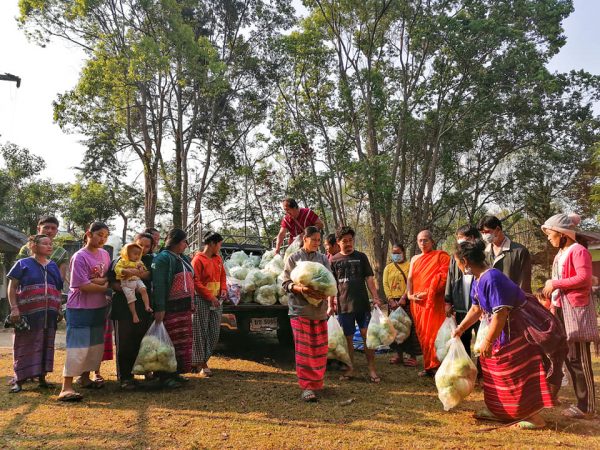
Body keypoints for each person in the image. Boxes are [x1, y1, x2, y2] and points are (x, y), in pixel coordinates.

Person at [453, 240, 566, 429]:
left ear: (465, 261)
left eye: (457, 262)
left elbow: (501, 313)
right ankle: (501, 410)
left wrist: (488, 340)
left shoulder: (492, 278)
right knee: (493, 369)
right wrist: (461, 328)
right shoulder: (478, 279)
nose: (457, 266)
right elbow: (476, 308)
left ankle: (532, 417)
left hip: (515, 332)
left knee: (515, 373)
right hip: (499, 330)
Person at [542, 213, 598, 419]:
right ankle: (581, 403)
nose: (549, 238)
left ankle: (587, 407)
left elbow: (584, 278)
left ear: (562, 234)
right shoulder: (561, 253)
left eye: (551, 234)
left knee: (579, 358)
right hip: (562, 310)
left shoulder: (579, 251)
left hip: (576, 311)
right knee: (570, 357)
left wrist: (555, 284)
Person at [59, 222, 111, 402]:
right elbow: (82, 285)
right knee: (77, 346)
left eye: (105, 236)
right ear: (89, 234)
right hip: (80, 307)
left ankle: (85, 378)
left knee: (94, 346)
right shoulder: (79, 257)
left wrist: (98, 282)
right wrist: (103, 286)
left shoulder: (105, 254)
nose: (102, 239)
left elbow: (107, 277)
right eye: (99, 235)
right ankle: (66, 387)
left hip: (99, 307)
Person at [6, 234, 63, 393]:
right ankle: (19, 380)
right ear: (33, 246)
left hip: (49, 315)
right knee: (24, 344)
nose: (49, 246)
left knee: (46, 343)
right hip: (28, 314)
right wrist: (14, 308)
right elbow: (12, 287)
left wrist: (58, 307)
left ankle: (42, 378)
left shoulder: (53, 266)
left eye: (50, 243)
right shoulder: (22, 264)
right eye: (45, 243)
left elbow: (58, 289)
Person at [282, 226, 332, 401]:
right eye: (314, 240)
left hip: (319, 311)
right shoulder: (293, 258)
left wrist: (325, 293)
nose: (317, 243)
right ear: (305, 239)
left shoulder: (323, 259)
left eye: (319, 240)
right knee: (304, 350)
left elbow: (329, 281)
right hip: (299, 311)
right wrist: (301, 289)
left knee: (319, 349)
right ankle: (306, 387)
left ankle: (317, 382)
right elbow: (285, 283)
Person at [330, 226, 382, 383]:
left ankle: (372, 369)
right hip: (344, 306)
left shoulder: (361, 257)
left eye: (350, 240)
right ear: (338, 242)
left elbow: (369, 278)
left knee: (367, 336)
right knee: (348, 338)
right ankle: (350, 368)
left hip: (362, 304)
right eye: (344, 241)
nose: (348, 243)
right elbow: (331, 285)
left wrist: (375, 297)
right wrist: (330, 304)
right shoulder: (334, 260)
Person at [109, 232, 155, 390]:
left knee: (139, 341)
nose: (143, 249)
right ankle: (125, 377)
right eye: (140, 245)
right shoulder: (119, 260)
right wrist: (129, 289)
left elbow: (149, 275)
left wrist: (139, 274)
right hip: (123, 308)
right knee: (124, 343)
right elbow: (113, 282)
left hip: (143, 308)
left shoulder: (149, 262)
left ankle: (140, 372)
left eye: (147, 246)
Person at [151, 228, 195, 388]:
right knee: (167, 343)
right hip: (170, 309)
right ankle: (164, 376)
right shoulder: (163, 258)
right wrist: (160, 308)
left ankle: (175, 372)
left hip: (184, 308)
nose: (186, 244)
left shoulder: (183, 258)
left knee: (181, 342)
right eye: (184, 241)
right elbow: (159, 285)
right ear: (175, 242)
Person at [406, 230, 450, 377]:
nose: (423, 243)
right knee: (423, 335)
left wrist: (427, 293)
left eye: (425, 240)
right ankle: (428, 366)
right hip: (417, 303)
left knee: (435, 334)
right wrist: (409, 295)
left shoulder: (441, 256)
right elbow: (410, 279)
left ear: (432, 241)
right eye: (420, 240)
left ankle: (439, 366)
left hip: (433, 303)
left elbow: (445, 278)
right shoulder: (414, 259)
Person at [191, 231, 227, 377]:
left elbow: (223, 275)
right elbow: (195, 281)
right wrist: (209, 296)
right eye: (219, 244)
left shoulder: (218, 259)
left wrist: (223, 289)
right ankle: (201, 364)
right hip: (201, 300)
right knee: (200, 332)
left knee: (213, 333)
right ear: (212, 243)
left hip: (217, 300)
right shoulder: (197, 260)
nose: (220, 247)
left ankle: (200, 361)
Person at [444, 225, 481, 356]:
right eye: (458, 237)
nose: (459, 240)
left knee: (480, 339)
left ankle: (482, 367)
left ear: (472, 238)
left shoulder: (482, 255)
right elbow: (450, 277)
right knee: (463, 338)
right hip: (460, 304)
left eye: (461, 237)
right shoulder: (455, 257)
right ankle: (465, 365)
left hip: (478, 307)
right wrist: (448, 301)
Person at [383, 243, 420, 367]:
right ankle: (399, 355)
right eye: (394, 253)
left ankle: (412, 356)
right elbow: (385, 284)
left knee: (408, 329)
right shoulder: (388, 268)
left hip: (406, 301)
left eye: (398, 252)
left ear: (403, 252)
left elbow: (411, 282)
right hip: (392, 303)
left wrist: (404, 297)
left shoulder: (410, 266)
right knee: (395, 329)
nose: (396, 255)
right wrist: (390, 299)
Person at [477, 215, 532, 293]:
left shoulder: (519, 251)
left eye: (487, 232)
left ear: (498, 229)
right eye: (482, 233)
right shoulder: (484, 253)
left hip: (513, 298)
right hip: (491, 299)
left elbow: (524, 283)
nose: (484, 236)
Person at [17, 216, 68, 280]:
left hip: (53, 285)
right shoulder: (27, 249)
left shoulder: (62, 252)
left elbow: (61, 278)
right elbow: (19, 273)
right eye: (46, 227)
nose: (50, 231)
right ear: (38, 229)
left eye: (53, 228)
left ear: (56, 231)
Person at [114, 243, 152, 323]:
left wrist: (141, 268)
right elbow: (117, 268)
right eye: (135, 254)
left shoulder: (139, 262)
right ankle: (134, 315)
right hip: (126, 282)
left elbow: (144, 269)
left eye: (138, 254)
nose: (137, 256)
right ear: (127, 253)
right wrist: (124, 270)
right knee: (131, 299)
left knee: (143, 289)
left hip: (136, 279)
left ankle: (147, 306)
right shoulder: (122, 261)